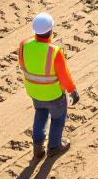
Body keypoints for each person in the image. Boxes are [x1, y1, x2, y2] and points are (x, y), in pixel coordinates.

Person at [19, 12, 79, 159]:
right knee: (58, 119)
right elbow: (64, 76)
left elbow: (23, 64)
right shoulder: (54, 52)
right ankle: (54, 147)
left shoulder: (24, 45)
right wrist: (72, 90)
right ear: (51, 30)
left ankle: (37, 148)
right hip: (54, 95)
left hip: (35, 93)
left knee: (40, 115)